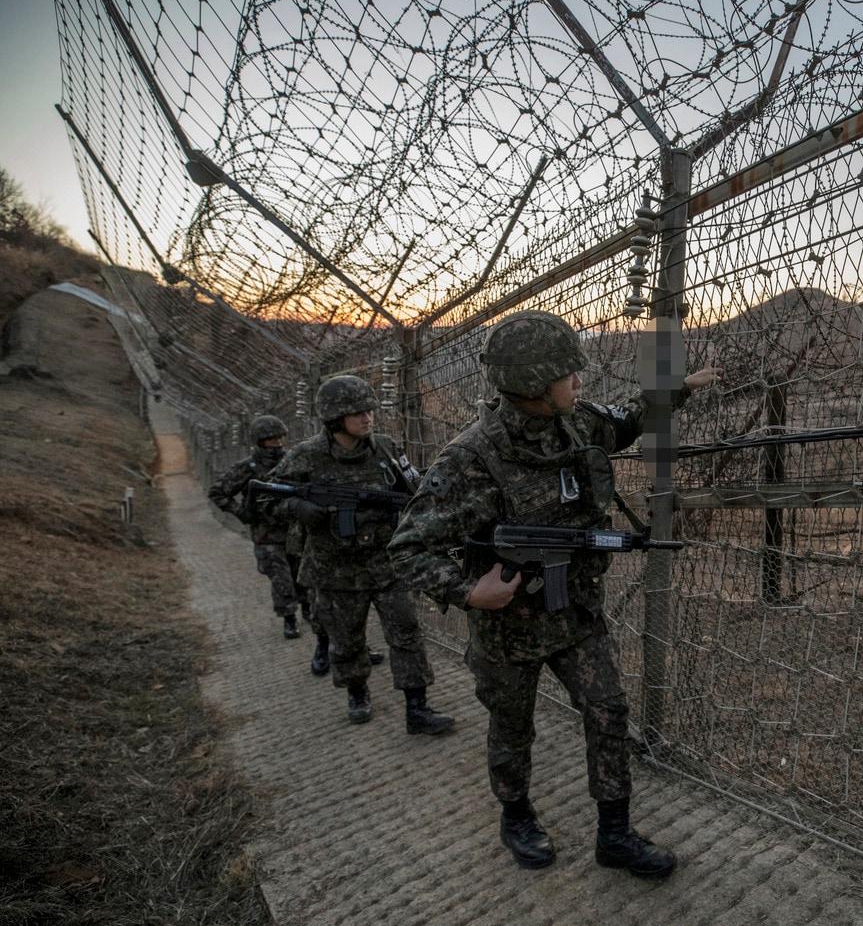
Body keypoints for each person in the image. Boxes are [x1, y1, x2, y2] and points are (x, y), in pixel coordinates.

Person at [388, 311, 721, 879]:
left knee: (608, 711)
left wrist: (677, 392)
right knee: (513, 728)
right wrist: (470, 592)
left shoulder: (579, 425)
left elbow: (631, 420)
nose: (580, 382)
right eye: (568, 374)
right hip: (506, 629)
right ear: (534, 384)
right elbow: (407, 549)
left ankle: (614, 833)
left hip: (574, 615)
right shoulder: (469, 460)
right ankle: (516, 816)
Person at [263, 375, 453, 734]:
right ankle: (357, 692)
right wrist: (297, 507)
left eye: (369, 410)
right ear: (335, 418)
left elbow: (414, 488)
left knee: (406, 633)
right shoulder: (306, 456)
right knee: (347, 638)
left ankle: (418, 707)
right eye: (357, 413)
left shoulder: (385, 448)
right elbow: (264, 498)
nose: (367, 418)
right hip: (334, 569)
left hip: (386, 563)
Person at [208, 414, 312, 641]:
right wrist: (242, 514)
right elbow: (218, 492)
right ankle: (289, 618)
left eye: (279, 439)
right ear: (260, 441)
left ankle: (308, 611)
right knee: (281, 577)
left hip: (294, 531)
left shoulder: (292, 461)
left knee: (302, 573)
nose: (277, 444)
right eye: (270, 440)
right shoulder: (248, 467)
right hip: (266, 534)